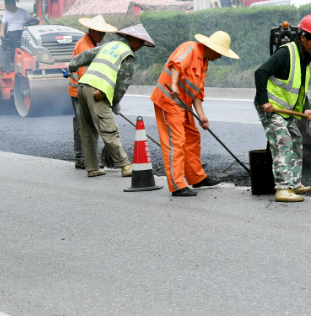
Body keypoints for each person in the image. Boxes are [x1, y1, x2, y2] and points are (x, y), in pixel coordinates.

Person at [151, 30, 238, 197]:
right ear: (212, 48)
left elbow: (197, 92)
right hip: (168, 101)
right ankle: (177, 185)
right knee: (176, 141)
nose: (220, 57)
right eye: (220, 53)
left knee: (192, 137)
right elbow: (176, 64)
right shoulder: (190, 48)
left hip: (183, 105)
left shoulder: (204, 62)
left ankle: (197, 178)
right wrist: (174, 85)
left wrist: (201, 115)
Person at [253, 15, 311, 203]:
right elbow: (260, 73)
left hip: (286, 110)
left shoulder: (306, 58)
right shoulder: (285, 53)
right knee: (283, 142)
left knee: (295, 139)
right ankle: (282, 188)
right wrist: (263, 101)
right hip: (271, 108)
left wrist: (308, 108)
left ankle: (294, 184)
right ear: (303, 37)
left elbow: (299, 89)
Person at [68, 25, 156, 178]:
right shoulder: (127, 55)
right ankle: (125, 165)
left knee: (87, 130)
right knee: (108, 129)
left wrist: (71, 65)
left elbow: (86, 55)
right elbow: (122, 85)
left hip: (82, 87)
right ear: (133, 39)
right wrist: (115, 103)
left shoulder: (109, 46)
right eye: (141, 43)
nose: (141, 46)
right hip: (98, 92)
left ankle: (92, 167)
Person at [68, 15, 117, 170]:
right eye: (99, 33)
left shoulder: (93, 43)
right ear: (91, 30)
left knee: (87, 124)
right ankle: (81, 158)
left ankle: (88, 157)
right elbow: (85, 75)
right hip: (79, 90)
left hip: (85, 89)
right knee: (82, 125)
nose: (102, 36)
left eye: (103, 33)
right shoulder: (84, 46)